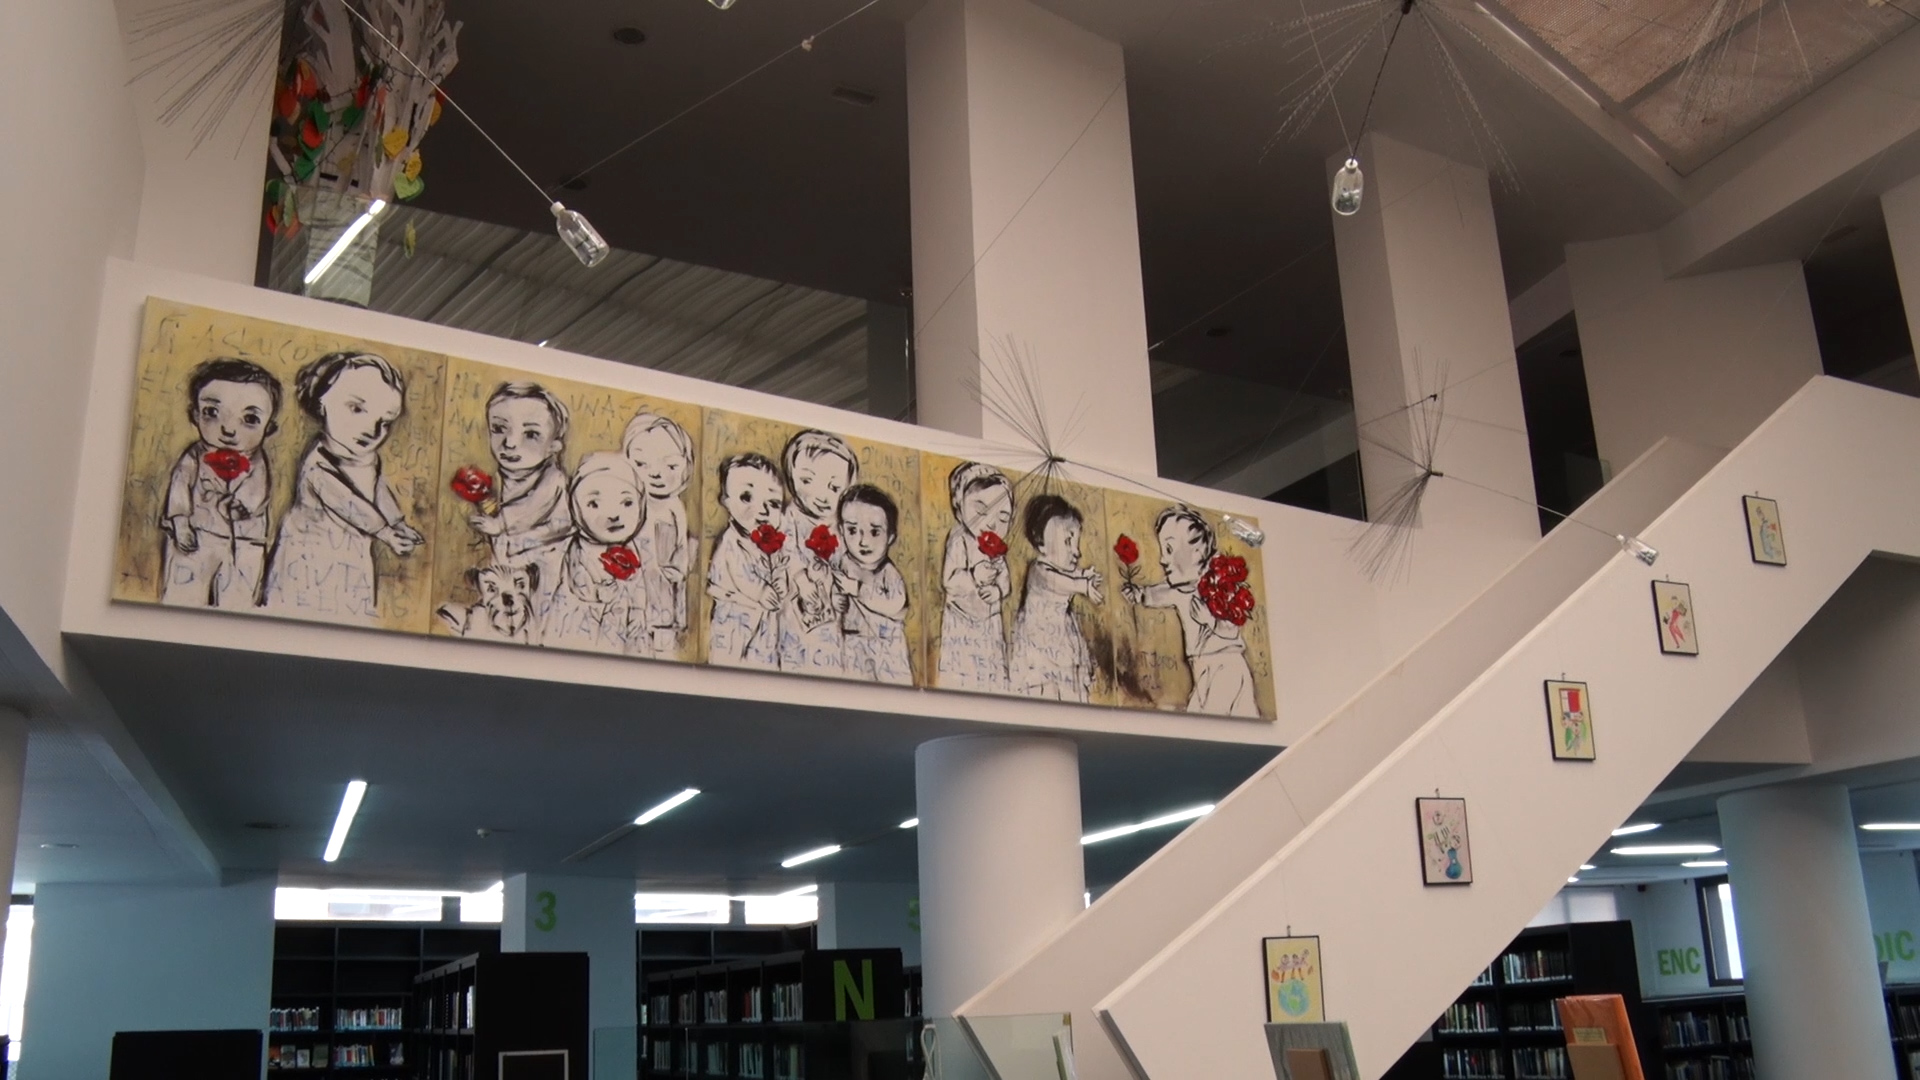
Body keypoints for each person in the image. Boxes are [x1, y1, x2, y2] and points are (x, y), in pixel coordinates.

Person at [264, 352, 422, 624]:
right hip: (308, 556)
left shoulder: (368, 458)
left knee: (350, 614)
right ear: (322, 401)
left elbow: (378, 490)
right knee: (298, 616)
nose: (372, 429)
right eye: (357, 409)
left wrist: (397, 522)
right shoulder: (317, 464)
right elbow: (348, 502)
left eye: (385, 421)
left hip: (353, 553)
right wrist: (385, 532)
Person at [160, 357, 281, 609]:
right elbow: (179, 491)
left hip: (246, 542)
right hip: (196, 537)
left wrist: (244, 506)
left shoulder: (259, 464)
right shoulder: (192, 458)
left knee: (239, 604)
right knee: (183, 598)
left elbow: (258, 493)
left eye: (250, 418)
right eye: (212, 413)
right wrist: (180, 524)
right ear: (194, 414)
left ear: (269, 428)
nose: (228, 429)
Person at [1122, 506, 1259, 717]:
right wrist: (1139, 594)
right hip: (1201, 671)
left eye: (1169, 550)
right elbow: (1158, 594)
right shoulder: (1179, 590)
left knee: (1211, 722)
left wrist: (1211, 621)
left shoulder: (1219, 582)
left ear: (1198, 552)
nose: (1162, 559)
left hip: (1226, 666)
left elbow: (1232, 629)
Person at [539, 453, 651, 657]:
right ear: (576, 510)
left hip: (619, 620)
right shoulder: (579, 547)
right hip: (581, 620)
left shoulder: (630, 548)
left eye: (627, 503)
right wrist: (598, 593)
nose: (613, 515)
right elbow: (577, 580)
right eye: (594, 504)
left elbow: (638, 584)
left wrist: (637, 609)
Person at [1007, 493, 1103, 702]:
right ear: (1041, 542)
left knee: (1070, 688)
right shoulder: (1039, 571)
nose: (1076, 551)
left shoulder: (1062, 572)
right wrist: (1082, 585)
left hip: (1061, 644)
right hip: (1040, 654)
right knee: (1045, 692)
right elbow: (1058, 582)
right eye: (1068, 541)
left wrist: (1084, 576)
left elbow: (1070, 578)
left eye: (1076, 542)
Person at [779, 430, 859, 675]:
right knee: (795, 652)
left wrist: (841, 590)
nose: (822, 496)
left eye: (834, 487)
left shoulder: (843, 523)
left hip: (831, 610)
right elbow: (787, 551)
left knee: (831, 656)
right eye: (807, 481)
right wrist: (801, 580)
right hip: (797, 603)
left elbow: (848, 561)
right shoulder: (790, 516)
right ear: (792, 478)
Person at [466, 382, 572, 564]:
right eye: (499, 429)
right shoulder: (497, 479)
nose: (509, 443)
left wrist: (501, 523)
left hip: (546, 561)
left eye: (531, 434)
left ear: (554, 446)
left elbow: (535, 506)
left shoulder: (554, 479)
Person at [935, 462, 1014, 691]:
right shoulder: (959, 539)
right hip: (961, 621)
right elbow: (949, 581)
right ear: (959, 508)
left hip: (990, 622)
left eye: (1003, 517)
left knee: (991, 674)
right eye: (981, 511)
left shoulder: (996, 547)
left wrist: (998, 590)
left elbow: (1005, 580)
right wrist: (973, 577)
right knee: (961, 674)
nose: (992, 523)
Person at [623, 412, 695, 655]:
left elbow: (682, 543)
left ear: (686, 466)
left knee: (665, 640)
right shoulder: (631, 503)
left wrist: (680, 566)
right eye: (642, 464)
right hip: (639, 581)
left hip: (666, 583)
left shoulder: (675, 506)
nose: (656, 473)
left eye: (671, 465)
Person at [707, 453, 786, 670]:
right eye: (746, 497)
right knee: (729, 658)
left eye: (773, 503)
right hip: (735, 614)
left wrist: (780, 582)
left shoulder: (771, 540)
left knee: (763, 659)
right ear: (726, 500)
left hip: (764, 615)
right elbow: (740, 573)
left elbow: (780, 565)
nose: (762, 511)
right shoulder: (730, 541)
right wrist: (760, 591)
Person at [832, 484, 913, 686]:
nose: (863, 541)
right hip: (853, 640)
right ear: (841, 531)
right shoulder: (844, 563)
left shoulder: (888, 572)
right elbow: (834, 589)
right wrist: (836, 599)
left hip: (887, 644)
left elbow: (895, 604)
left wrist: (858, 590)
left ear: (890, 536)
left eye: (874, 532)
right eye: (852, 530)